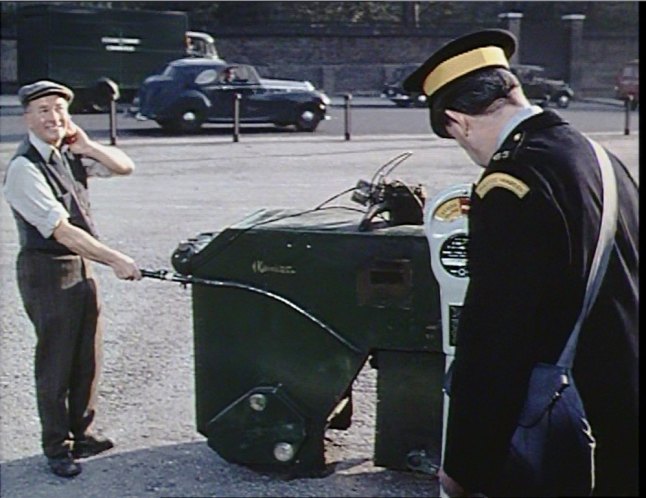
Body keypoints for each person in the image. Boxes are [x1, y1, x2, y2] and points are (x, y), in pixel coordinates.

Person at [403, 30, 638, 496]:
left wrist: (464, 464)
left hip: (566, 431)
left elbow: (494, 338)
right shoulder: (602, 159)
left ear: (458, 121)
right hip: (621, 410)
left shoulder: (509, 183)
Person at [2, 80, 143, 478]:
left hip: (79, 265)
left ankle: (83, 433)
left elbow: (125, 166)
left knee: (87, 356)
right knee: (56, 361)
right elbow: (61, 231)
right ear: (27, 117)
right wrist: (115, 259)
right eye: (43, 110)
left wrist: (87, 145)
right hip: (47, 269)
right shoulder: (24, 168)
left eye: (60, 109)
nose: (54, 117)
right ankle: (57, 447)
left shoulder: (68, 154)